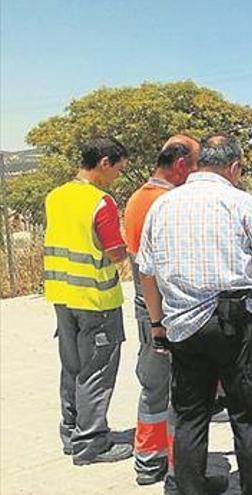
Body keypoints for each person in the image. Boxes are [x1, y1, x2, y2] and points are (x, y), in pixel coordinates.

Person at [137, 133, 252, 495]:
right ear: (234, 167)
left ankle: (191, 489)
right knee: (247, 418)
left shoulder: (162, 206)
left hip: (183, 328)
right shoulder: (239, 202)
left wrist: (157, 325)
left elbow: (146, 271)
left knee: (190, 417)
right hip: (233, 325)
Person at [43, 136, 134, 465]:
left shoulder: (56, 196)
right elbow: (114, 251)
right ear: (104, 163)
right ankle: (92, 443)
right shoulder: (101, 202)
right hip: (97, 301)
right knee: (96, 371)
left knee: (72, 368)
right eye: (118, 170)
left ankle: (71, 433)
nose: (117, 177)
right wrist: (132, 251)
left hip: (62, 297)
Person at [124, 135, 199, 486]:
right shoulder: (167, 203)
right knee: (176, 390)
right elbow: (157, 267)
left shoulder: (138, 198)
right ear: (181, 164)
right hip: (166, 309)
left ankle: (148, 460)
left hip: (148, 306)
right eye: (196, 165)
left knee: (153, 387)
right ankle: (174, 469)